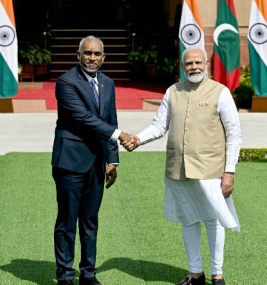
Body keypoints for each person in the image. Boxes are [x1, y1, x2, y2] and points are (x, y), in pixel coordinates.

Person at [124, 47, 242, 285]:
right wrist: (138, 138)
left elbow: (234, 134)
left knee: (213, 219)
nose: (194, 67)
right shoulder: (172, 91)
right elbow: (159, 126)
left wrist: (229, 171)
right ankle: (195, 273)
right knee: (188, 219)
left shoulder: (221, 92)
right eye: (189, 63)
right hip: (178, 168)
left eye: (198, 62)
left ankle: (217, 274)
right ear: (182, 66)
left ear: (206, 63)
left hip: (211, 169)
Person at [51, 35, 133, 285]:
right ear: (78, 55)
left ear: (104, 57)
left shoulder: (108, 83)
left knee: (90, 221)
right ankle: (65, 277)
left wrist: (113, 159)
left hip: (97, 164)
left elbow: (110, 119)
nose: (92, 58)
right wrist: (121, 136)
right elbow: (84, 117)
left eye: (97, 54)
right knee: (67, 221)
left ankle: (88, 275)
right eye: (87, 53)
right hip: (70, 162)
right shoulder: (66, 82)